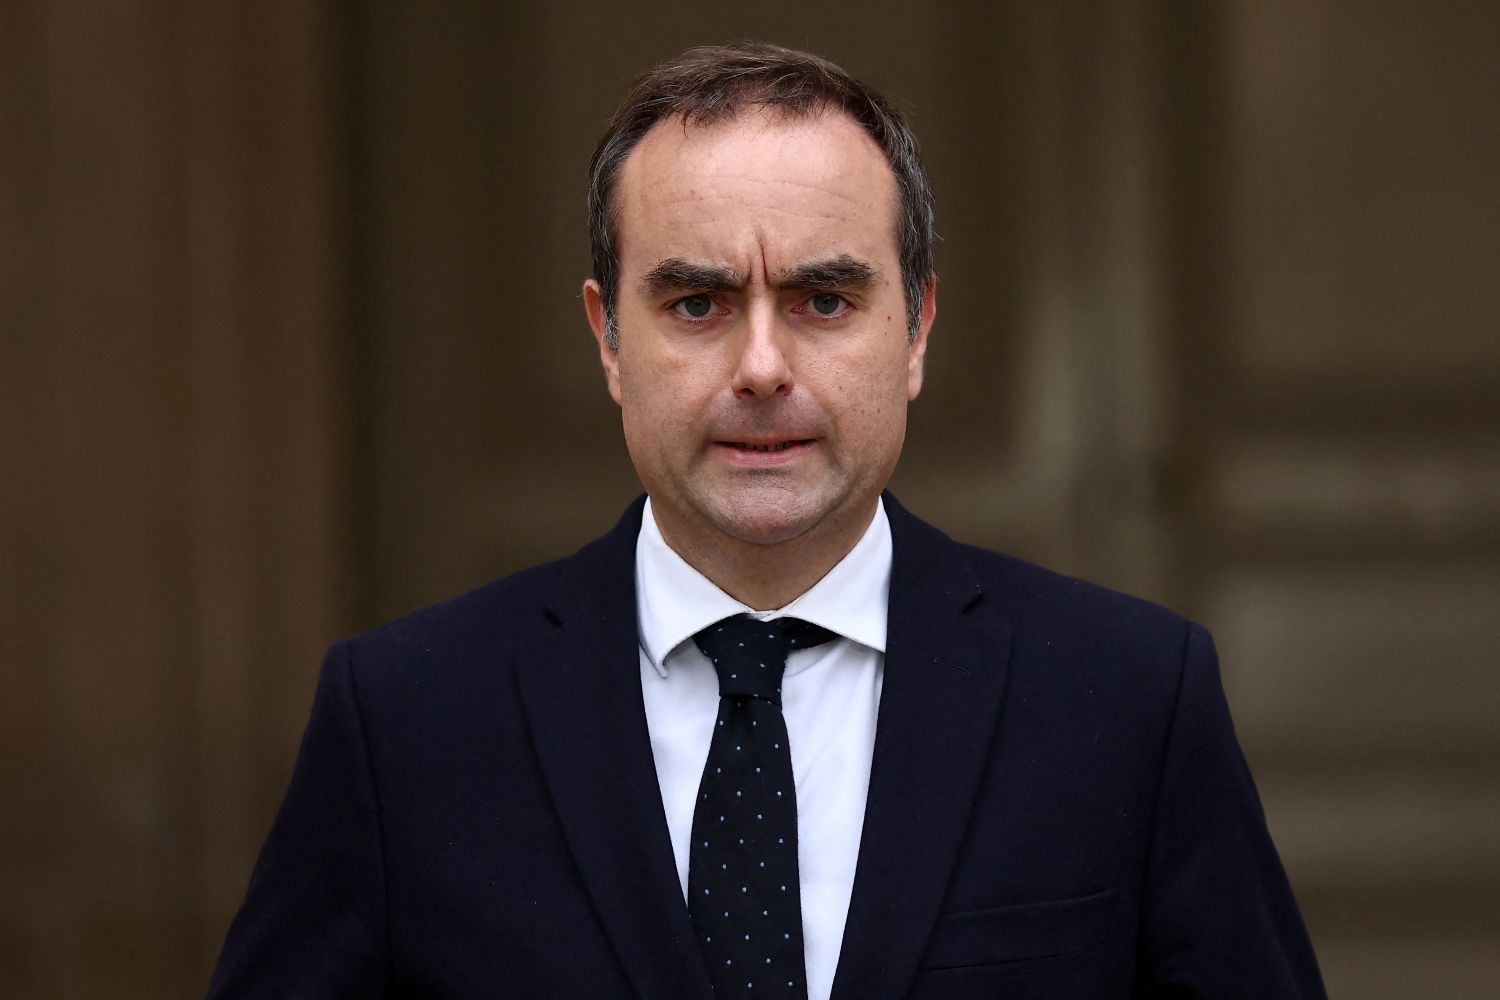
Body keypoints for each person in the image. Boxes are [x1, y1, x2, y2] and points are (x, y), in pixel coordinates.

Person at [207, 41, 1326, 999]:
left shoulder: (1128, 698)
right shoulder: (405, 722)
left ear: (917, 329)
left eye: (823, 300)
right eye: (697, 302)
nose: (760, 366)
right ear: (607, 339)